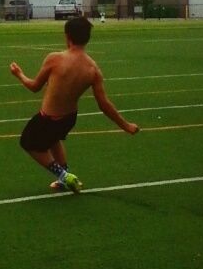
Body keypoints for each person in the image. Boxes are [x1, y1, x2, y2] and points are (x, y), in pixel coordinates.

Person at [9, 15, 139, 192]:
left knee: (28, 142)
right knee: (53, 139)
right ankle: (65, 178)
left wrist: (19, 74)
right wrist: (126, 125)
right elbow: (104, 104)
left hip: (48, 118)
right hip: (69, 118)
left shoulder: (55, 59)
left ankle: (63, 175)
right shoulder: (92, 69)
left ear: (67, 36)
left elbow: (34, 87)